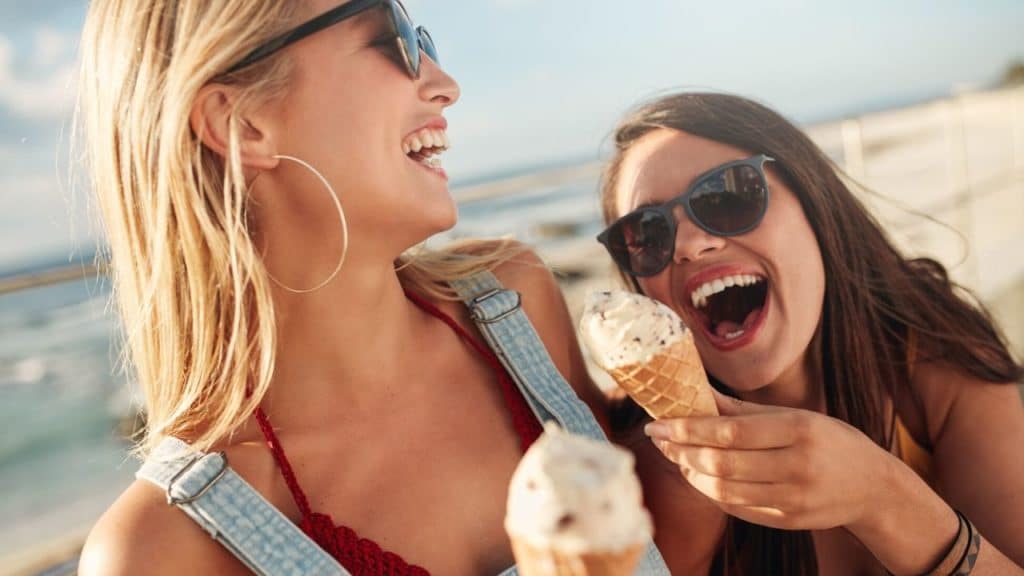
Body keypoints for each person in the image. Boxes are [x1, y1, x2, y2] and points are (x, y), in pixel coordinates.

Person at [75, 1, 617, 574]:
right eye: (395, 40)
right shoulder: (164, 551)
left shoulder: (517, 310)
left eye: (425, 43)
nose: (444, 84)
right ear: (242, 123)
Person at [595, 92, 1024, 575]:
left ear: (814, 204)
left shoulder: (934, 357)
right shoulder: (647, 459)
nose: (691, 245)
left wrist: (882, 496)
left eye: (725, 195)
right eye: (646, 234)